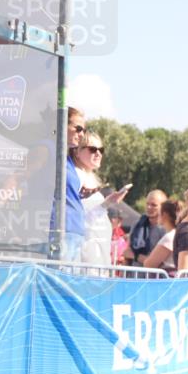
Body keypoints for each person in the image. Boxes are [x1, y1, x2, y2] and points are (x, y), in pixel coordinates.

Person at [73, 131, 128, 267]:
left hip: (98, 250)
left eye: (101, 150)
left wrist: (108, 202)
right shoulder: (76, 176)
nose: (98, 153)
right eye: (92, 149)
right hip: (86, 252)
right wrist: (107, 202)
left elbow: (91, 211)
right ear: (77, 152)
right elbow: (79, 214)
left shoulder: (90, 177)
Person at [52, 107, 87, 261]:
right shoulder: (48, 149)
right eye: (78, 128)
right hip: (59, 231)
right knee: (56, 275)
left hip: (74, 232)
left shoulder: (67, 159)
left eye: (84, 130)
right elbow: (19, 178)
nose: (82, 134)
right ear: (61, 124)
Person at [127, 190, 168, 266]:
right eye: (147, 204)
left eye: (154, 205)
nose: (149, 207)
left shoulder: (166, 229)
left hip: (155, 273)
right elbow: (127, 253)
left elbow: (158, 262)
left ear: (163, 207)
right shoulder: (137, 225)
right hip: (134, 272)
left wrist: (136, 256)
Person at [142, 199, 181, 275]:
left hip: (166, 279)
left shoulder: (169, 237)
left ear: (165, 215)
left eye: (159, 213)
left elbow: (149, 264)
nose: (157, 216)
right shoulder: (178, 233)